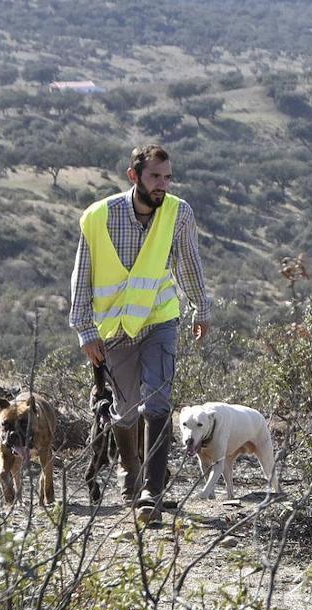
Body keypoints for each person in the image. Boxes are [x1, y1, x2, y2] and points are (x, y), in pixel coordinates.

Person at [69, 143, 211, 524]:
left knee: (158, 400)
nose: (163, 184)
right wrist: (84, 330)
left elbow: (189, 264)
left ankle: (153, 491)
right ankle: (130, 473)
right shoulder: (98, 217)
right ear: (134, 177)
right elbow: (82, 276)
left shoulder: (179, 213)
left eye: (167, 177)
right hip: (114, 330)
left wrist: (202, 306)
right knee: (126, 410)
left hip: (160, 320)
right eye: (155, 177)